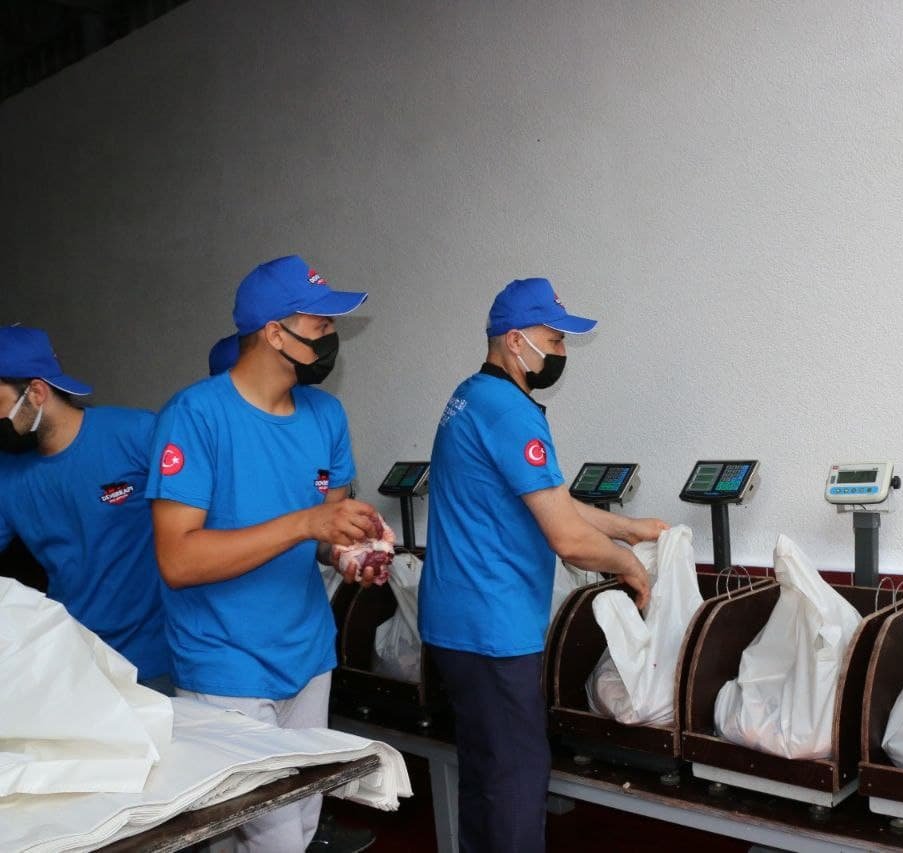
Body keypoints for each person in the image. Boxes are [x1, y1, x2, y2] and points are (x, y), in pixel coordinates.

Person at [421, 277, 667, 853]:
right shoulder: (511, 412)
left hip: (456, 620)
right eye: (553, 340)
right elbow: (567, 538)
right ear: (515, 341)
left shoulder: (471, 396)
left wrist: (629, 527)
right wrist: (630, 565)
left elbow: (550, 500)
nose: (560, 352)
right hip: (493, 627)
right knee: (516, 777)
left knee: (485, 771)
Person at [147, 256, 380, 853]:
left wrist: (350, 552)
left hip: (307, 655)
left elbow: (327, 535)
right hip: (225, 663)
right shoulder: (195, 415)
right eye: (321, 324)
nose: (331, 337)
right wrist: (306, 523)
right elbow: (178, 560)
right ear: (275, 333)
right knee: (273, 838)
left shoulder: (326, 414)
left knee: (299, 826)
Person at [0, 326, 171, 689]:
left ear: (37, 392)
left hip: (157, 657)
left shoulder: (136, 434)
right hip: (76, 661)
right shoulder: (7, 474)